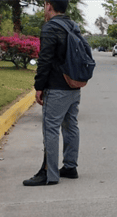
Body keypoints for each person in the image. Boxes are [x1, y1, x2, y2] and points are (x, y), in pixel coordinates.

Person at [23, 0, 80, 186]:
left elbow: (45, 59)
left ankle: (49, 173)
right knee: (71, 125)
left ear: (48, 5)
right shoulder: (73, 25)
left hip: (56, 87)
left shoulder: (50, 27)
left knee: (51, 128)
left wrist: (39, 86)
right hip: (74, 85)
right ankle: (70, 167)